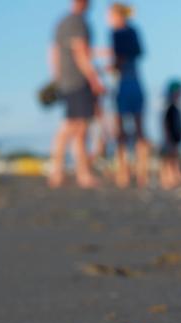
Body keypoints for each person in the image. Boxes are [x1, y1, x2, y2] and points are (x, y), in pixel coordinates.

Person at [49, 0, 104, 188]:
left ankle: (71, 172)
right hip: (78, 81)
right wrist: (94, 79)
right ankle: (66, 172)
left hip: (66, 81)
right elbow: (81, 52)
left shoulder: (61, 22)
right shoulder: (77, 22)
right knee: (76, 127)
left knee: (76, 127)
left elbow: (53, 53)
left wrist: (57, 79)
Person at [105, 3, 150, 188]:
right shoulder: (134, 31)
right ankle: (142, 174)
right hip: (137, 82)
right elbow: (139, 54)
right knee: (140, 131)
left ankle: (123, 173)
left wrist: (107, 67)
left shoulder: (116, 33)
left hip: (123, 84)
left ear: (117, 15)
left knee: (121, 131)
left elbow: (118, 60)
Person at [159, 80, 181, 189]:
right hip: (170, 138)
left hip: (174, 138)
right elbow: (166, 124)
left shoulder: (175, 108)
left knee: (173, 158)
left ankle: (175, 177)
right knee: (168, 159)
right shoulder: (170, 108)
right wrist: (167, 138)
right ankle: (167, 179)